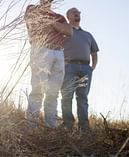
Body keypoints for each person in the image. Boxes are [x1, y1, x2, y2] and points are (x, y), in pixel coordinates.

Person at [25, 0, 73, 128]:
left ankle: (51, 126)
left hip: (58, 52)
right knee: (38, 88)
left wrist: (51, 23)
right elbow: (34, 24)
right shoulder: (32, 9)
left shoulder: (59, 16)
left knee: (53, 92)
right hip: (41, 49)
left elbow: (69, 31)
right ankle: (31, 127)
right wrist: (57, 27)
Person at [60, 7, 99, 130]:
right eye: (74, 12)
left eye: (78, 12)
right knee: (67, 96)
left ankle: (84, 127)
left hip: (86, 68)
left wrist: (92, 67)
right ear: (68, 16)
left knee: (82, 97)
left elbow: (94, 52)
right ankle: (68, 124)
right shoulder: (64, 32)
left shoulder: (88, 35)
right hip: (69, 67)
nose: (77, 14)